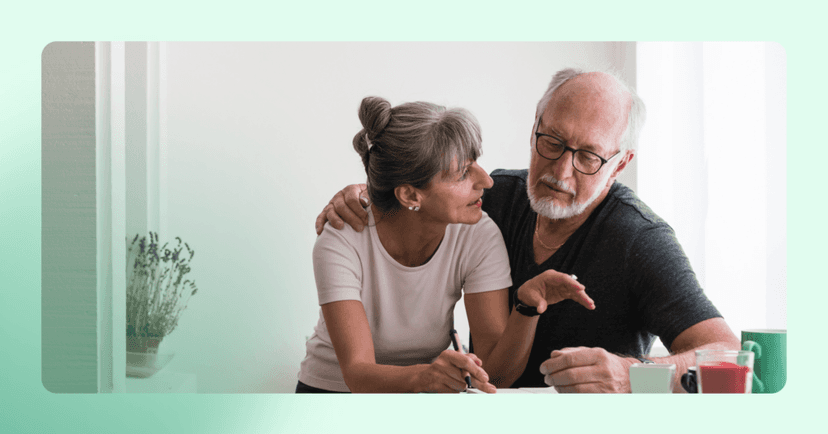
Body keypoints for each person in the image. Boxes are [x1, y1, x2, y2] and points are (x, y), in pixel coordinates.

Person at [314, 68, 741, 393]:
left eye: (589, 156)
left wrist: (634, 376)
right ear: (534, 126)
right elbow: (428, 192)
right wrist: (368, 192)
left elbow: (730, 354)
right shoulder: (495, 201)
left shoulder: (639, 240)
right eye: (551, 141)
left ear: (620, 165)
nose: (560, 171)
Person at [297, 96, 594, 393]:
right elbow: (357, 373)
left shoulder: (477, 233)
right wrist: (426, 377)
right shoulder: (341, 237)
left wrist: (526, 307)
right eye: (463, 173)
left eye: (475, 163)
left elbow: (496, 376)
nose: (486, 181)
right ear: (411, 196)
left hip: (429, 393)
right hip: (333, 395)